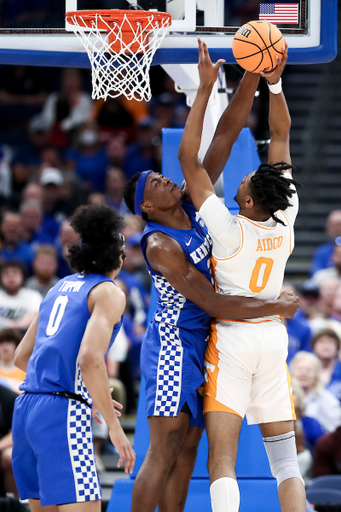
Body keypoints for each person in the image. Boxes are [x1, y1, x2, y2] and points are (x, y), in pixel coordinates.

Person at [123, 46, 299, 512]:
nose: (163, 179)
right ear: (145, 207)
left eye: (160, 175)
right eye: (152, 183)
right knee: (163, 452)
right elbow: (214, 302)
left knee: (188, 455)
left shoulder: (191, 207)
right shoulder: (160, 244)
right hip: (173, 344)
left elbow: (226, 132)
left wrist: (252, 75)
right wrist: (275, 306)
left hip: (208, 341)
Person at [178, 39, 306, 512]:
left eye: (249, 178)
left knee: (222, 463)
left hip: (232, 340)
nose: (249, 172)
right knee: (286, 465)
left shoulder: (228, 230)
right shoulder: (286, 214)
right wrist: (272, 80)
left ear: (248, 201)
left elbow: (190, 163)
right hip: (272, 339)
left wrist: (205, 91)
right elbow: (282, 136)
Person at [11, 204, 135, 510]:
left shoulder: (58, 287)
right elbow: (89, 358)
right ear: (119, 258)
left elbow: (21, 357)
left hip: (26, 409)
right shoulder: (109, 291)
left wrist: (81, 389)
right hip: (61, 411)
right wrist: (115, 428)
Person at [290, 351, 341, 433]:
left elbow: (336, 431)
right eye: (299, 369)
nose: (303, 373)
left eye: (308, 370)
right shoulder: (283, 397)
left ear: (316, 375)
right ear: (292, 372)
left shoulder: (328, 400)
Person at [0, 261, 42, 331]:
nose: (11, 277)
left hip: (26, 334)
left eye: (15, 273)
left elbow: (36, 314)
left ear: (23, 276)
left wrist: (18, 325)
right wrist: (9, 325)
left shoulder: (33, 295)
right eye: (6, 274)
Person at [310, 210, 341, 276]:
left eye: (339, 224)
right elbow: (315, 272)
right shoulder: (322, 251)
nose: (337, 229)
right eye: (333, 225)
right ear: (328, 228)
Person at [0, 328, 25, 394]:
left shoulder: (24, 371)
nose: (5, 345)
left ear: (16, 345)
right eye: (1, 342)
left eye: (9, 341)